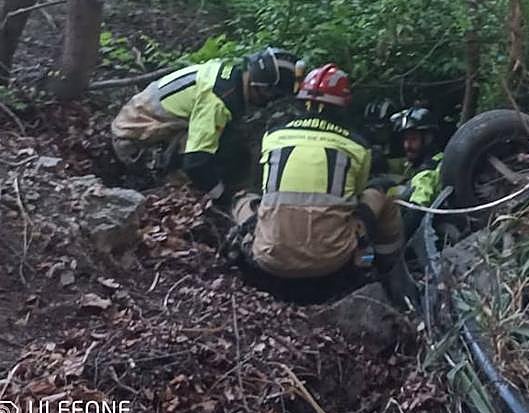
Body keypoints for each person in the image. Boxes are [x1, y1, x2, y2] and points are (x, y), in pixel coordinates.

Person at [227, 64, 407, 293]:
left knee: (243, 199)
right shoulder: (357, 146)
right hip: (333, 260)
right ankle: (388, 269)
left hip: (269, 259)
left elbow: (265, 188)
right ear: (343, 105)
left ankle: (238, 252)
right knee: (383, 193)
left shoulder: (274, 136)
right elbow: (357, 199)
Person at [110, 46, 302, 196]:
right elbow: (196, 161)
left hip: (139, 124)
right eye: (273, 96)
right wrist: (220, 195)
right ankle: (170, 186)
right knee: (218, 153)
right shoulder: (219, 101)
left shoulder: (229, 78)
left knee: (230, 145)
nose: (270, 102)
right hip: (132, 141)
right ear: (263, 88)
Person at [372, 106, 443, 212]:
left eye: (413, 139)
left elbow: (417, 208)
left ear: (428, 139)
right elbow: (396, 165)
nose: (407, 145)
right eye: (406, 139)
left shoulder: (428, 171)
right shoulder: (421, 161)